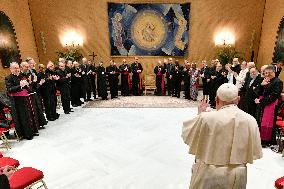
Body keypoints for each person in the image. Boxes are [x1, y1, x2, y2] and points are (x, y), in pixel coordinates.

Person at [182, 83, 262, 189]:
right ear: (238, 99)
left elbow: (188, 136)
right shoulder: (250, 120)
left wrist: (200, 114)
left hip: (209, 173)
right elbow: (255, 150)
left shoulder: (206, 118)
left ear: (217, 99)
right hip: (237, 175)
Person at [5, 63, 39, 140]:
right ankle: (27, 134)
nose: (17, 69)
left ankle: (33, 131)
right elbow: (9, 89)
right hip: (18, 102)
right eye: (15, 68)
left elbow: (27, 87)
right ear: (11, 69)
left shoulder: (21, 76)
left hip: (26, 99)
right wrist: (20, 86)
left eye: (17, 68)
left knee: (30, 116)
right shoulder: (8, 78)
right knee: (24, 118)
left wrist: (28, 84)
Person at [255, 65, 283, 146]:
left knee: (267, 123)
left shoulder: (278, 82)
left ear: (273, 72)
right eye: (265, 73)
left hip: (271, 105)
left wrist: (261, 100)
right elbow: (257, 92)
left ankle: (266, 140)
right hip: (262, 104)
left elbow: (273, 96)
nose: (266, 75)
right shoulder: (265, 80)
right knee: (260, 121)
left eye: (268, 73)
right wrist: (261, 85)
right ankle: (259, 138)